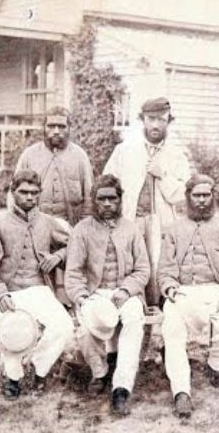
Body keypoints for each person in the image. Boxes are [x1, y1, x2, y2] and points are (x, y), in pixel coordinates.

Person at [157, 174, 219, 418]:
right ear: (188, 198)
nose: (202, 201)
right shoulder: (174, 229)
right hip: (182, 292)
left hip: (216, 290)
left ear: (212, 197)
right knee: (172, 329)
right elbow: (164, 269)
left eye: (206, 195)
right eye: (197, 195)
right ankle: (181, 391)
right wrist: (171, 289)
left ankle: (214, 365)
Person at [0, 170, 75, 400]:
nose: (29, 198)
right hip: (7, 290)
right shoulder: (0, 225)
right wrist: (0, 294)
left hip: (39, 290)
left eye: (34, 193)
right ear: (13, 193)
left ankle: (38, 367)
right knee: (13, 325)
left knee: (64, 326)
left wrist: (59, 257)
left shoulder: (47, 222)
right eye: (23, 192)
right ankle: (12, 377)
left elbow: (76, 244)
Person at [65, 174, 150, 416]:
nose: (107, 204)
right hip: (94, 292)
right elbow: (73, 272)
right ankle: (99, 371)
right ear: (93, 201)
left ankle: (121, 387)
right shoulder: (82, 230)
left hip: (126, 292)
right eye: (101, 199)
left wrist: (126, 290)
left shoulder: (131, 229)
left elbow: (143, 269)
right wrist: (82, 297)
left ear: (120, 200)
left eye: (112, 199)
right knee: (85, 323)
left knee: (134, 319)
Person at [104, 97, 191, 306]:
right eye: (151, 119)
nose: (155, 125)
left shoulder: (177, 155)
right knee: (129, 267)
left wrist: (162, 176)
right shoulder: (125, 151)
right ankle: (132, 314)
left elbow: (183, 194)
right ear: (142, 120)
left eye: (161, 120)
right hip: (130, 219)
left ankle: (157, 316)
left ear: (168, 121)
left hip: (161, 223)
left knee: (157, 268)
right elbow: (107, 184)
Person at [15, 107, 93, 302]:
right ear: (44, 128)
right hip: (34, 225)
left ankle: (71, 303)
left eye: (61, 126)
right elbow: (15, 192)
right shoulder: (29, 155)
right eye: (51, 126)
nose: (56, 131)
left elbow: (89, 198)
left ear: (69, 128)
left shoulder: (80, 156)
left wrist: (82, 229)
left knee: (74, 254)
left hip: (69, 226)